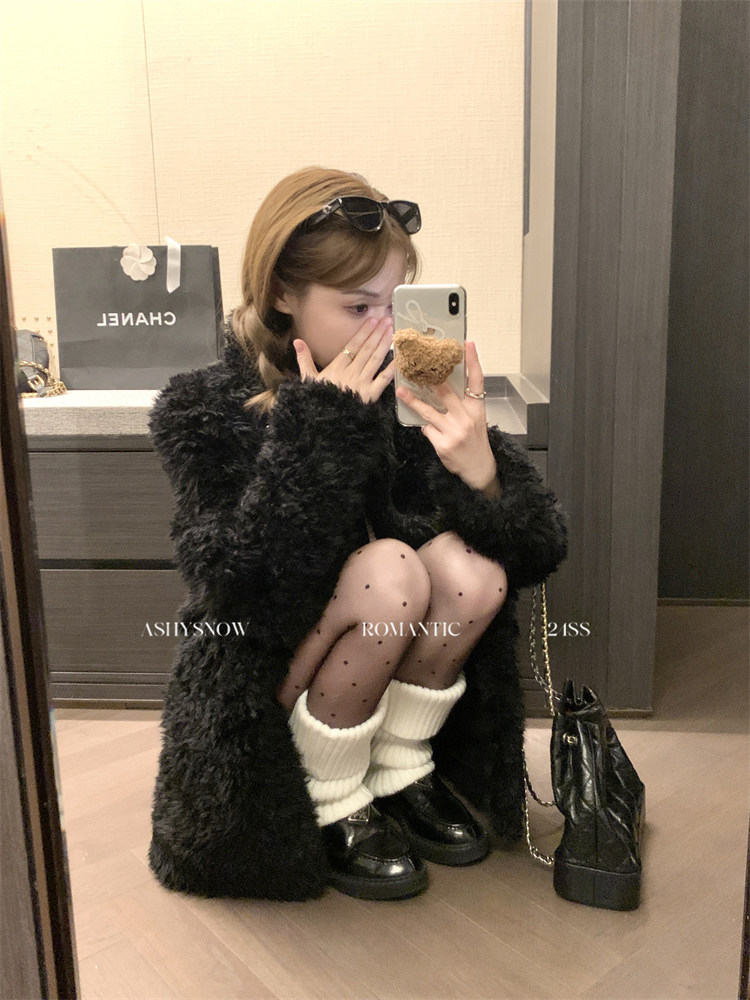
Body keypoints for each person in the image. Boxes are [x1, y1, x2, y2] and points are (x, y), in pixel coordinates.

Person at [146, 165, 568, 903]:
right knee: (391, 572)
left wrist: (482, 473)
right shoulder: (204, 405)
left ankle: (399, 767)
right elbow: (237, 585)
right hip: (269, 668)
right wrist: (321, 427)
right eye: (356, 305)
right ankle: (330, 790)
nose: (384, 328)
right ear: (284, 293)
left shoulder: (407, 387)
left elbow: (537, 548)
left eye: (395, 302)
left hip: (386, 653)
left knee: (473, 573)